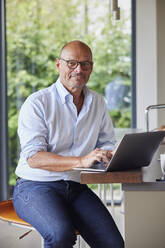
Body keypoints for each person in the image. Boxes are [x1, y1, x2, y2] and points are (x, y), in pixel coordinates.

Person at [13, 40, 124, 248]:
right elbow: (34, 158)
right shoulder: (37, 103)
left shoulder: (98, 102)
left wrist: (110, 155)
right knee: (60, 234)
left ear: (91, 68)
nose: (79, 69)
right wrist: (82, 160)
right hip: (35, 187)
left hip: (76, 187)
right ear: (58, 65)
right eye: (71, 63)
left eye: (85, 64)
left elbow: (106, 143)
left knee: (113, 244)